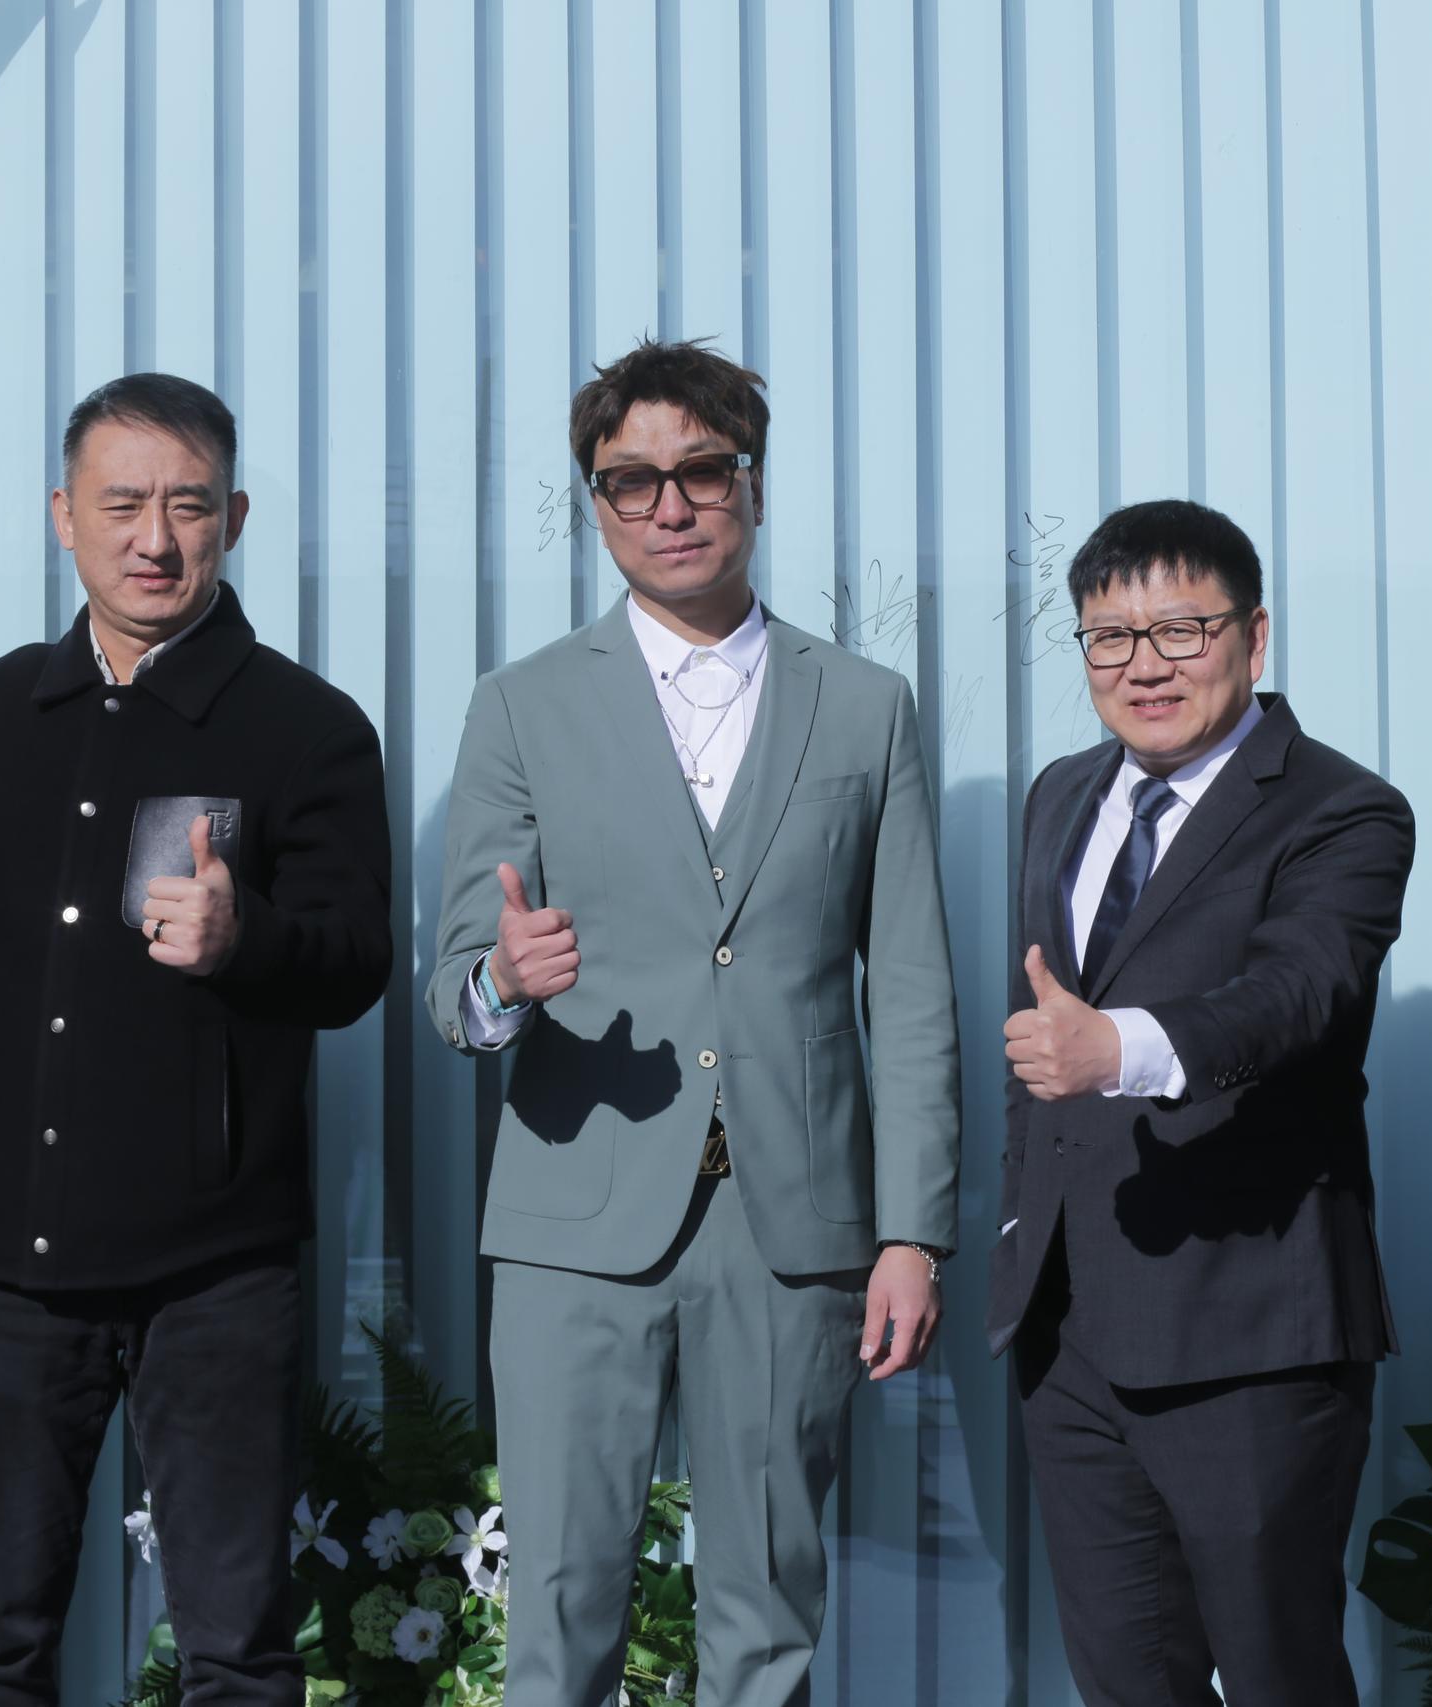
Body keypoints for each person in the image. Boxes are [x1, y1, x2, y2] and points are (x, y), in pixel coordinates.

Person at [428, 338, 960, 1706]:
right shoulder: (522, 704)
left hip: (791, 1224)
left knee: (767, 1612)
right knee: (555, 1605)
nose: (669, 505)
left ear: (753, 484)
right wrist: (506, 982)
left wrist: (912, 1231)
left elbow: (908, 988)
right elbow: (456, 988)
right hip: (574, 1217)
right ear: (596, 505)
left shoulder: (866, 706)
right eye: (631, 481)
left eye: (701, 471)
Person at [0, 372, 391, 1705]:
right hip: (6, 1263)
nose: (155, 540)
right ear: (63, 515)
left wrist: (250, 937)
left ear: (235, 517)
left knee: (234, 1651)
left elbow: (356, 959)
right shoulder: (1, 709)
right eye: (121, 504)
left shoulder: (306, 726)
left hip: (216, 1272)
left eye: (189, 505)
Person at [988, 498, 1411, 1705]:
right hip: (1070, 1331)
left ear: (1253, 637)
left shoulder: (1341, 808)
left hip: (1252, 1334)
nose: (1144, 666)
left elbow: (1297, 995)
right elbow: (1039, 1042)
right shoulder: (1061, 795)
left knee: (1278, 1676)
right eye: (1109, 637)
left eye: (1181, 630)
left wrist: (1118, 1047)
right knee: (1127, 1682)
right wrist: (1019, 1231)